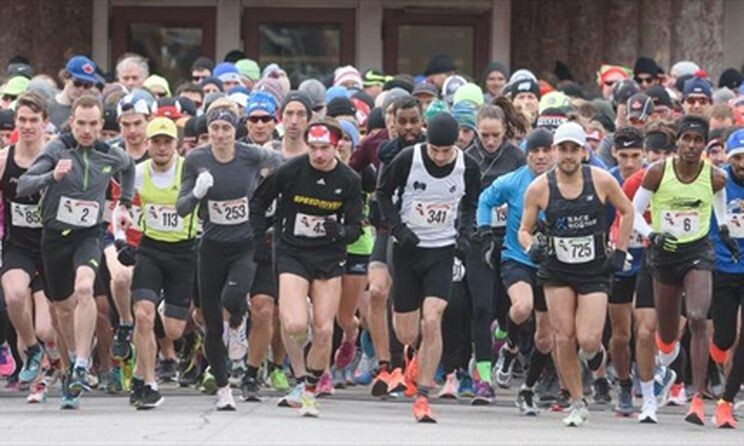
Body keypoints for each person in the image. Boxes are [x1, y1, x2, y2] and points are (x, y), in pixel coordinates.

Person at [17, 93, 135, 409]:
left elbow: (129, 168)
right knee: (62, 309)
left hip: (89, 234)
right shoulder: (57, 149)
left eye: (93, 124)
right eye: (81, 123)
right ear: (71, 122)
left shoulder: (109, 153)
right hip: (55, 238)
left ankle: (82, 363)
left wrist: (124, 202)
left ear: (101, 124)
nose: (86, 130)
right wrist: (51, 176)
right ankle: (70, 365)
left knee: (85, 288)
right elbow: (24, 185)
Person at [519, 121, 634, 427]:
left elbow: (627, 211)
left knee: (589, 339)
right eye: (563, 149)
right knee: (563, 336)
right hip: (557, 269)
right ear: (555, 151)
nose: (568, 155)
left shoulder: (601, 180)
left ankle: (595, 357)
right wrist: (532, 248)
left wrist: (620, 250)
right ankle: (577, 400)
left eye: (574, 149)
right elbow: (523, 231)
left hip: (593, 270)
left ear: (584, 152)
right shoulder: (539, 188)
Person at [250, 117, 363, 417]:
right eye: (313, 148)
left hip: (329, 256)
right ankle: (300, 374)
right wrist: (259, 239)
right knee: (295, 324)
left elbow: (356, 228)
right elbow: (257, 202)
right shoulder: (290, 170)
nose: (318, 155)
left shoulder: (349, 180)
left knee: (324, 329)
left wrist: (340, 231)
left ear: (337, 146)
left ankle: (309, 390)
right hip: (293, 252)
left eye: (325, 148)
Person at [176, 98, 282, 411]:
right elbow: (181, 208)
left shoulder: (252, 155)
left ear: (235, 130)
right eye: (215, 128)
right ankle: (223, 389)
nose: (220, 134)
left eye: (226, 128)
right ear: (208, 130)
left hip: (245, 244)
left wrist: (267, 187)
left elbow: (283, 164)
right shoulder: (196, 159)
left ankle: (238, 323)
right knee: (211, 321)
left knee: (233, 297)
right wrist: (197, 193)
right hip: (211, 247)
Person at [631, 115, 737, 425]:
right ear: (677, 142)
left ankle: (697, 398)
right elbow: (633, 213)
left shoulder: (715, 177)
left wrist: (725, 230)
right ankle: (668, 362)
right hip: (664, 255)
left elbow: (719, 203)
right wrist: (652, 235)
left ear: (704, 144)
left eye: (697, 140)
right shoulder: (657, 172)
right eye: (686, 139)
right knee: (666, 335)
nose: (691, 145)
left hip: (697, 252)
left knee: (697, 317)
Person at [377, 112, 480, 423]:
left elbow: (471, 203)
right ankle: (412, 354)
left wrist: (465, 234)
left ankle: (422, 396)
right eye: (435, 149)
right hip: (407, 251)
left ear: (456, 145)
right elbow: (382, 194)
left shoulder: (467, 166)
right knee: (407, 331)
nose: (440, 156)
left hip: (441, 250)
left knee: (432, 320)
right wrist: (398, 229)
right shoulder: (408, 159)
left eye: (446, 151)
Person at [477, 127, 556, 415]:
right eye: (534, 151)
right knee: (522, 308)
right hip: (517, 257)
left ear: (554, 153)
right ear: (526, 154)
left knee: (545, 338)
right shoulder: (513, 182)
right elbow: (485, 200)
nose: (540, 156)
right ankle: (510, 348)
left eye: (546, 151)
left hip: (552, 264)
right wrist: (485, 232)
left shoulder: (565, 183)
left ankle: (528, 389)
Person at [127, 117, 199, 409]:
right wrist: (124, 240)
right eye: (155, 142)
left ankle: (144, 368)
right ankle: (148, 382)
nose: (161, 147)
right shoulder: (138, 173)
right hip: (151, 250)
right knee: (143, 315)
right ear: (147, 144)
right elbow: (126, 209)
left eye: (166, 142)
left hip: (183, 252)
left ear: (176, 145)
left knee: (173, 331)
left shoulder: (188, 170)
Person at [464, 101, 525, 403]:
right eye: (484, 135)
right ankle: (484, 380)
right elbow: (463, 202)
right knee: (481, 308)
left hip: (510, 241)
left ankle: (504, 341)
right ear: (476, 131)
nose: (489, 142)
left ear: (505, 132)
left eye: (495, 136)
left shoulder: (516, 158)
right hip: (479, 240)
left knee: (506, 310)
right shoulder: (467, 159)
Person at [0, 92, 58, 401]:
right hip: (18, 246)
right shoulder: (4, 160)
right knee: (13, 295)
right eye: (22, 119)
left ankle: (52, 364)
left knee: (47, 328)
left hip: (50, 248)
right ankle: (33, 353)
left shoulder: (57, 157)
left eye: (34, 120)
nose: (27, 126)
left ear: (45, 122)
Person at [708, 128, 744, 429]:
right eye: (738, 158)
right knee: (724, 338)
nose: (743, 164)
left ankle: (726, 402)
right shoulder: (717, 181)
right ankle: (713, 360)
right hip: (722, 267)